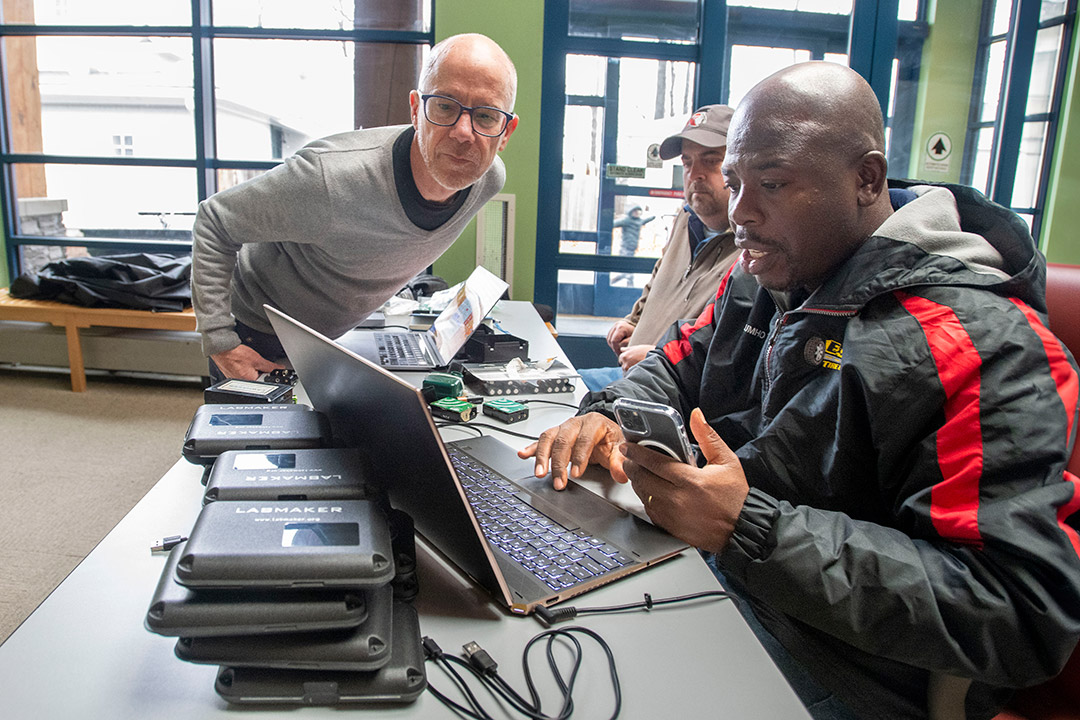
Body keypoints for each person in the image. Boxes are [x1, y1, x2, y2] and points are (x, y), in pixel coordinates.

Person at [522, 62, 1080, 719]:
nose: (739, 214)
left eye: (774, 184)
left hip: (851, 669)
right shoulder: (764, 271)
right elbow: (676, 361)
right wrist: (613, 413)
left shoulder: (985, 344)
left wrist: (748, 528)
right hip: (727, 575)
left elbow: (1019, 614)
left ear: (865, 179)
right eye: (733, 182)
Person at [191, 33, 518, 380]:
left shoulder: (487, 180)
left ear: (506, 131)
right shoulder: (329, 178)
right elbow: (214, 221)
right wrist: (220, 340)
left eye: (485, 116)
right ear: (415, 109)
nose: (463, 132)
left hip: (324, 342)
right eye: (445, 106)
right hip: (254, 335)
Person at [580, 105, 739, 392]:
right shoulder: (687, 217)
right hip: (636, 374)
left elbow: (728, 352)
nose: (695, 174)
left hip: (672, 392)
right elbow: (659, 277)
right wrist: (634, 322)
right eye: (688, 163)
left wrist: (659, 356)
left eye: (711, 160)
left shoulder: (751, 251)